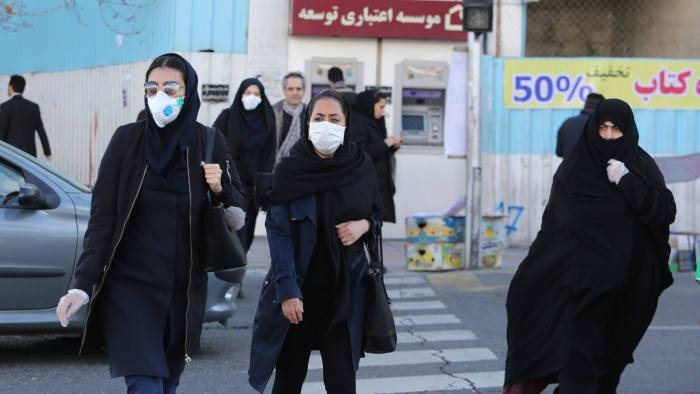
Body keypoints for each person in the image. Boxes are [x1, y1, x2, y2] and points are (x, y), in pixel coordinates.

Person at [54, 53, 245, 394]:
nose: (160, 96)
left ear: (190, 93)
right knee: (145, 385)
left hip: (183, 290)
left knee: (168, 382)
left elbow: (236, 211)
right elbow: (103, 220)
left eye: (171, 88)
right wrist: (81, 285)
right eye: (152, 87)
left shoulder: (208, 142)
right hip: (130, 287)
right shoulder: (126, 141)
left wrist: (219, 186)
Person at [504, 99, 676, 394]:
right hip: (579, 288)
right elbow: (559, 229)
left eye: (616, 130)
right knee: (578, 365)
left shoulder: (639, 166)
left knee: (608, 368)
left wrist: (627, 181)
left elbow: (662, 211)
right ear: (592, 128)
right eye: (603, 128)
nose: (608, 136)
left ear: (629, 131)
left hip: (624, 289)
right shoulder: (573, 171)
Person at [248, 89, 382, 394]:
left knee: (342, 382)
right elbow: (278, 233)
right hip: (299, 295)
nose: (326, 125)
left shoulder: (360, 166)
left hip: (343, 294)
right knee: (289, 379)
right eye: (319, 118)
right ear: (308, 123)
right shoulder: (290, 170)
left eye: (334, 119)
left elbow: (376, 214)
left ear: (346, 123)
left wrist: (364, 225)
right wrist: (287, 290)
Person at [213, 78, 276, 252]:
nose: (252, 97)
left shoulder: (267, 120)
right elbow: (213, 144)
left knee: (247, 229)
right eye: (248, 93)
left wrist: (263, 186)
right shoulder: (227, 117)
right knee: (231, 226)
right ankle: (230, 268)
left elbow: (269, 156)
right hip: (229, 183)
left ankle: (239, 265)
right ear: (240, 95)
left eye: (256, 94)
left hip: (254, 186)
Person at [349, 90, 402, 223]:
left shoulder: (374, 122)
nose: (383, 111)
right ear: (369, 105)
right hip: (366, 185)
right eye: (381, 107)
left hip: (378, 182)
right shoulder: (357, 124)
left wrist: (392, 147)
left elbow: (378, 153)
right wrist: (385, 144)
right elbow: (359, 153)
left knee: (375, 223)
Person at [0, 75, 52, 158]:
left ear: (11, 87)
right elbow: (41, 131)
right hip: (30, 156)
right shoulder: (34, 107)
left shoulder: (5, 107)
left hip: (11, 155)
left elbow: (1, 132)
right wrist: (47, 152)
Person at [272, 71, 307, 164]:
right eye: (290, 89)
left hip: (304, 166)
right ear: (284, 90)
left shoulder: (311, 112)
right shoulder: (273, 112)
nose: (295, 93)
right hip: (278, 165)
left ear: (304, 91)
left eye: (298, 89)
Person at [555, 92, 605, 158]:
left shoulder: (567, 123)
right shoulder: (601, 126)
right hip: (591, 167)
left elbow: (559, 152)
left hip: (568, 167)